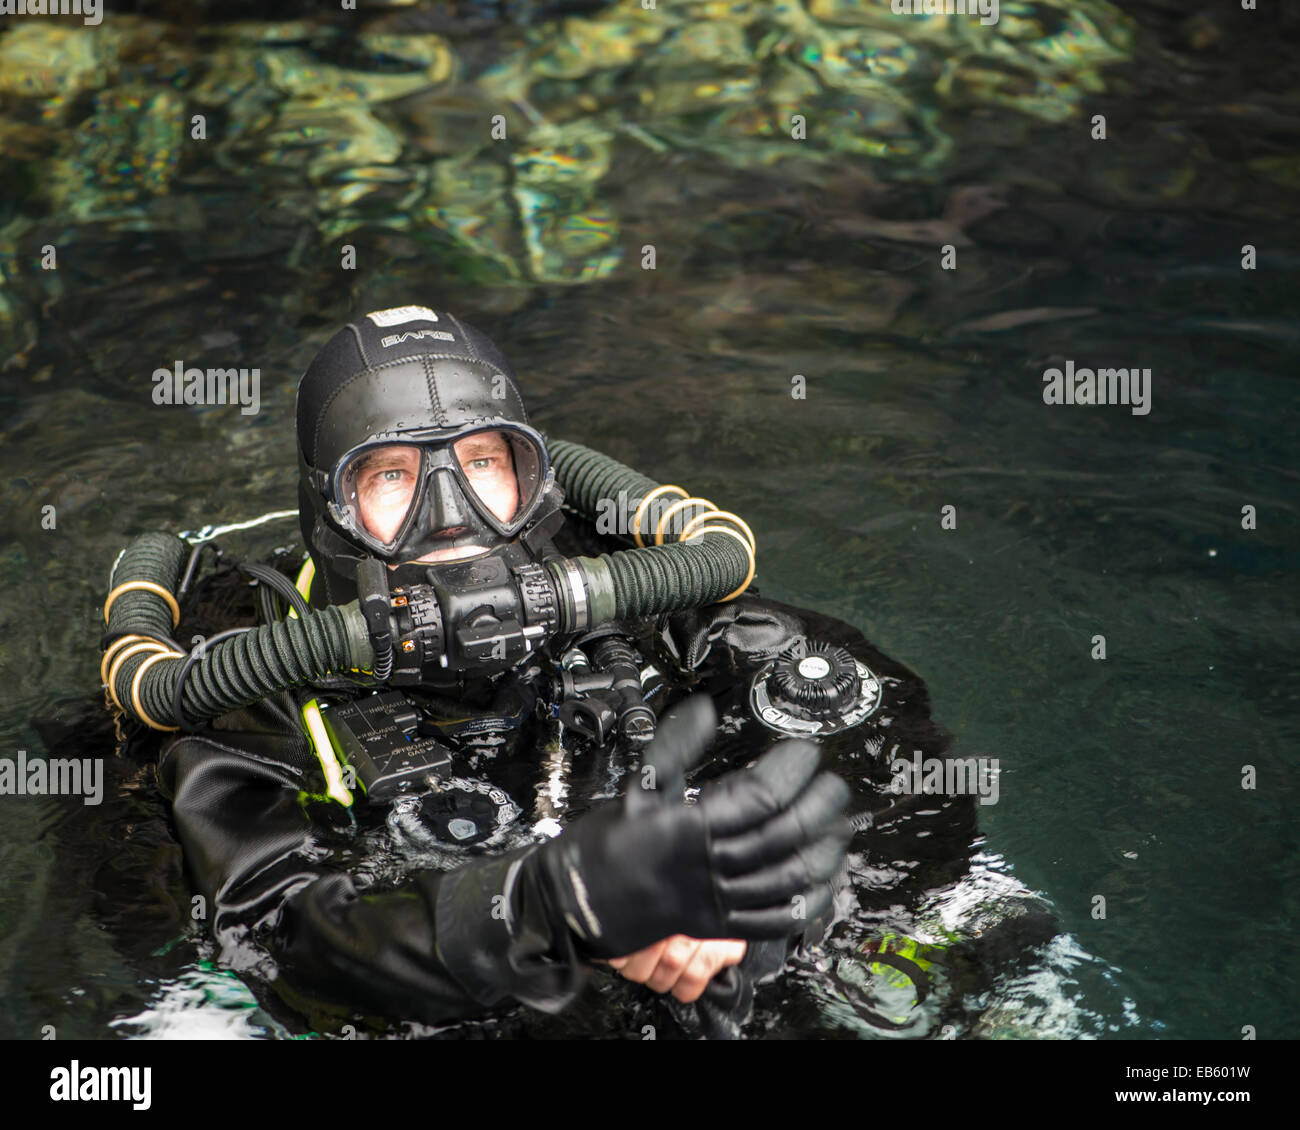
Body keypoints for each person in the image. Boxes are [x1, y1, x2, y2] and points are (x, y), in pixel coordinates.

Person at [147, 305, 857, 1034]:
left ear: (532, 475)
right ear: (328, 509)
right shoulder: (245, 671)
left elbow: (860, 728)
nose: (451, 515)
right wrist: (545, 907)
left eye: (484, 462)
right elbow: (273, 939)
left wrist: (768, 903)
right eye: (392, 475)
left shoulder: (631, 585)